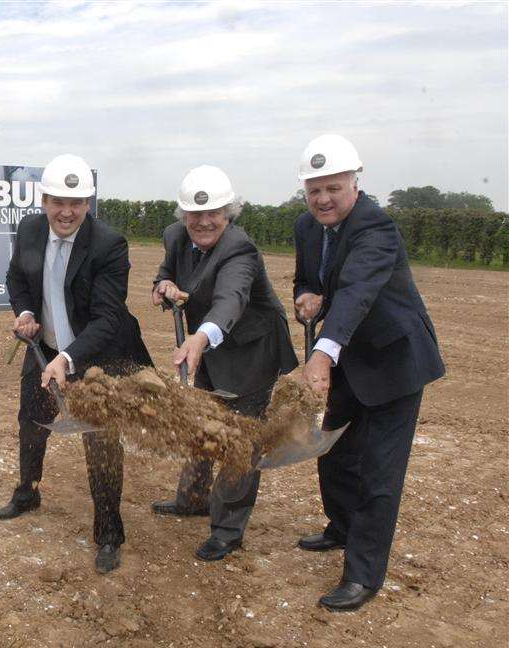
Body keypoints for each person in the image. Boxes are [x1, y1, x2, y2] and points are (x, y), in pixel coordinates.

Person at [292, 134, 444, 611]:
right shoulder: (307, 226)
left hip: (395, 362)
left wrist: (321, 353)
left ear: (355, 183)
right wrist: (305, 298)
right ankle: (340, 529)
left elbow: (357, 289)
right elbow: (311, 279)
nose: (323, 199)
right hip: (348, 363)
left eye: (333, 188)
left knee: (380, 471)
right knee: (334, 453)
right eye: (314, 189)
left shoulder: (376, 227)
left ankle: (363, 575)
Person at [0, 153, 153, 574]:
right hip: (43, 348)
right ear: (44, 200)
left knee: (101, 444)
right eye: (58, 201)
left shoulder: (108, 245)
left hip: (96, 357)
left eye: (77, 202)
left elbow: (107, 318)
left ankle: (109, 532)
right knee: (31, 419)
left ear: (88, 203)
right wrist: (26, 312)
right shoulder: (29, 229)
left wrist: (69, 358)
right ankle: (28, 492)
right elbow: (15, 277)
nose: (67, 212)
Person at [150, 165, 299, 561]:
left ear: (228, 213)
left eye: (212, 213)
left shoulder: (239, 249)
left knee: (238, 439)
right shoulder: (175, 236)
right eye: (194, 215)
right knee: (199, 422)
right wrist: (162, 286)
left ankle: (228, 530)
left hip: (252, 350)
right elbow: (169, 271)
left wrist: (200, 338)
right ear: (183, 216)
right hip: (209, 348)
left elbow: (230, 299)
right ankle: (193, 500)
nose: (202, 222)